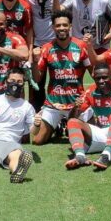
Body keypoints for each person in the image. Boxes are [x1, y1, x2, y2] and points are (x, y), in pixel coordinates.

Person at [31, 10, 90, 145]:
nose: (61, 28)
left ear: (70, 26)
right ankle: (58, 125)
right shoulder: (46, 49)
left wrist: (87, 99)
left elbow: (93, 74)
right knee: (38, 141)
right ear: (53, 27)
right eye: (58, 25)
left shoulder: (81, 46)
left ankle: (69, 123)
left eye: (64, 25)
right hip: (54, 103)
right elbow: (37, 79)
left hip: (77, 102)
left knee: (87, 138)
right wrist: (35, 61)